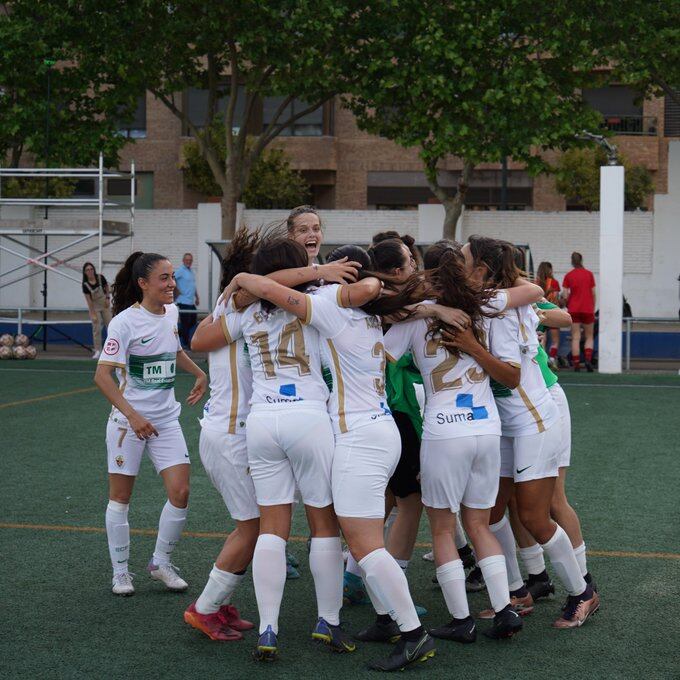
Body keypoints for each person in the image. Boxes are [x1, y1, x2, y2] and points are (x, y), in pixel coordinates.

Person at [229, 243, 444, 671]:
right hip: (371, 430)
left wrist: (239, 279)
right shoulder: (365, 314)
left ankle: (413, 634)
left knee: (363, 545)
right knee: (360, 539)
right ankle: (381, 620)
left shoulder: (329, 307)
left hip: (355, 435)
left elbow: (267, 293)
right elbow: (370, 295)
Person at [214, 238, 353, 662]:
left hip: (262, 419)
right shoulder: (319, 296)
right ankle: (327, 620)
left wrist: (245, 280)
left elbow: (225, 314)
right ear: (298, 268)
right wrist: (319, 273)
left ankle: (269, 626)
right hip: (308, 416)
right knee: (323, 523)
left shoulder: (245, 306)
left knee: (273, 527)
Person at [455, 236, 599, 629]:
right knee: (491, 511)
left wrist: (471, 346)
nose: (456, 264)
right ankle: (517, 592)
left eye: (463, 260)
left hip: (534, 421)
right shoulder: (489, 301)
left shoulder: (499, 307)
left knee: (537, 515)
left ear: (482, 270)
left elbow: (510, 374)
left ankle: (582, 592)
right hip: (505, 423)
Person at [94, 251, 207, 597]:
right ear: (143, 283)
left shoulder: (171, 312)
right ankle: (121, 573)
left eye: (173, 277)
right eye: (164, 278)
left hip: (165, 421)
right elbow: (102, 375)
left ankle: (160, 563)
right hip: (128, 424)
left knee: (181, 492)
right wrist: (133, 415)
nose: (172, 284)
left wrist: (199, 372)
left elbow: (173, 350)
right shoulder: (125, 322)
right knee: (121, 498)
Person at [562, 252, 596, 372]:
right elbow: (593, 293)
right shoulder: (589, 274)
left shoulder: (569, 276)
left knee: (576, 337)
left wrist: (567, 304)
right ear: (582, 260)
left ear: (572, 261)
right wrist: (592, 306)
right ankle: (587, 359)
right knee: (589, 336)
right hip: (588, 309)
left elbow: (565, 295)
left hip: (573, 309)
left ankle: (576, 363)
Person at [535, 262, 562, 368]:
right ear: (549, 270)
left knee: (541, 338)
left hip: (538, 313)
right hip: (552, 313)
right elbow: (555, 299)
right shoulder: (554, 282)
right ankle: (551, 359)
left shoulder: (535, 283)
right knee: (555, 341)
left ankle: (543, 361)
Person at [82, 261, 112, 359]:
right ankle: (98, 350)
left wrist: (108, 298)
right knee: (96, 329)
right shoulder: (85, 285)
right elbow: (89, 301)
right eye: (87, 270)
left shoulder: (100, 278)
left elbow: (107, 287)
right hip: (95, 307)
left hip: (105, 304)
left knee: (111, 326)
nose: (90, 271)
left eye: (91, 269)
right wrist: (93, 314)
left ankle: (113, 349)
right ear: (85, 272)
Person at [174, 252, 199, 347]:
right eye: (187, 260)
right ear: (183, 261)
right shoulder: (180, 270)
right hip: (183, 301)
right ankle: (184, 344)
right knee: (185, 323)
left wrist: (197, 297)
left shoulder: (191, 271)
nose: (188, 262)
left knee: (193, 322)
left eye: (190, 260)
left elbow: (193, 285)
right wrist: (176, 290)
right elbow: (173, 278)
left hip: (191, 302)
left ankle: (178, 335)